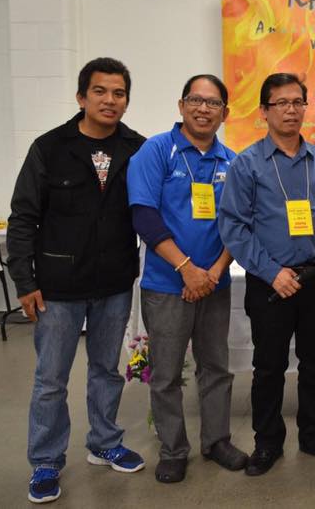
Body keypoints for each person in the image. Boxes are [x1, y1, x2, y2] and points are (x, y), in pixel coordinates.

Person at [7, 57, 146, 504]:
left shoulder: (137, 149)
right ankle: (46, 461)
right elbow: (23, 217)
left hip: (114, 282)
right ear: (82, 97)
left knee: (107, 370)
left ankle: (104, 442)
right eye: (100, 91)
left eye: (119, 93)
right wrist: (24, 281)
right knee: (51, 378)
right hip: (58, 285)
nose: (110, 100)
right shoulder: (49, 148)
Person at [218, 73, 315, 476]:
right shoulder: (247, 164)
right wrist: (271, 271)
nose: (291, 110)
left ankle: (314, 435)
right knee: (268, 367)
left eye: (298, 102)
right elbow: (234, 227)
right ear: (264, 111)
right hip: (269, 283)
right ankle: (267, 442)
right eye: (281, 103)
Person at [127, 74, 247, 483]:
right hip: (167, 285)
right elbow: (144, 215)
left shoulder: (231, 161)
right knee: (166, 374)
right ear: (181, 106)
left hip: (214, 283)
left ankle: (216, 442)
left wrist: (215, 271)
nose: (203, 109)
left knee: (216, 368)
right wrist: (187, 269)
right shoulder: (157, 150)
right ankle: (173, 450)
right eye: (196, 100)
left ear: (224, 113)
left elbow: (239, 223)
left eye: (213, 103)